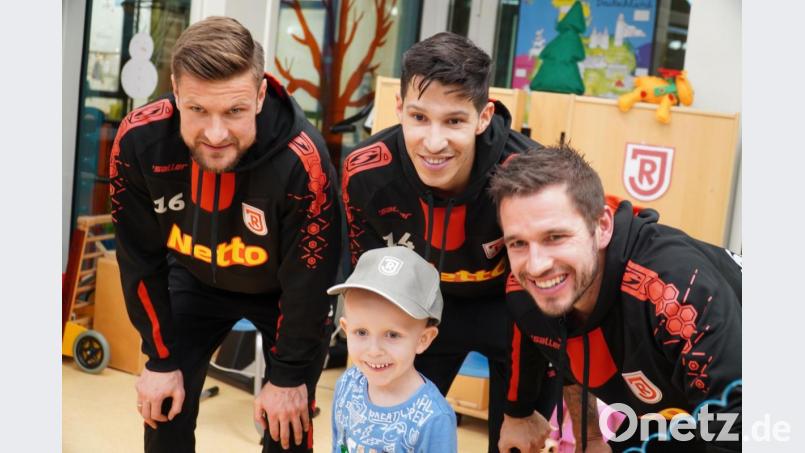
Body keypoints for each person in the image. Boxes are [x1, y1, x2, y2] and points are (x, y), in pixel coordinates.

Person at [110, 16, 341, 453]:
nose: (215, 134)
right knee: (164, 407)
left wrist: (289, 376)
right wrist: (159, 358)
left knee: (288, 424)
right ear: (176, 91)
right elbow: (139, 258)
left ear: (259, 96)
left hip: (283, 294)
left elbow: (311, 282)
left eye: (234, 111)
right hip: (194, 278)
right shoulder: (138, 142)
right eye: (197, 110)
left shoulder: (303, 160)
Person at [340, 31, 551, 452]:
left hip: (515, 313)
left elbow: (547, 295)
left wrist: (520, 410)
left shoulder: (529, 176)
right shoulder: (365, 173)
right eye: (419, 117)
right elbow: (374, 291)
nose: (434, 143)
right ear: (398, 108)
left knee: (518, 442)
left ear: (483, 116)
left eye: (454, 121)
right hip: (421, 312)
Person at [490, 146, 742, 452]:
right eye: (518, 243)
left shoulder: (676, 291)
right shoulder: (528, 290)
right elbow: (566, 355)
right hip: (671, 412)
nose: (536, 265)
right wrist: (590, 438)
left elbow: (738, 425)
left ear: (603, 226)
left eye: (555, 237)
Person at [327, 246, 457, 452]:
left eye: (392, 335)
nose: (374, 350)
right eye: (361, 332)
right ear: (345, 328)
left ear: (423, 339)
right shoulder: (347, 384)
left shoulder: (434, 418)